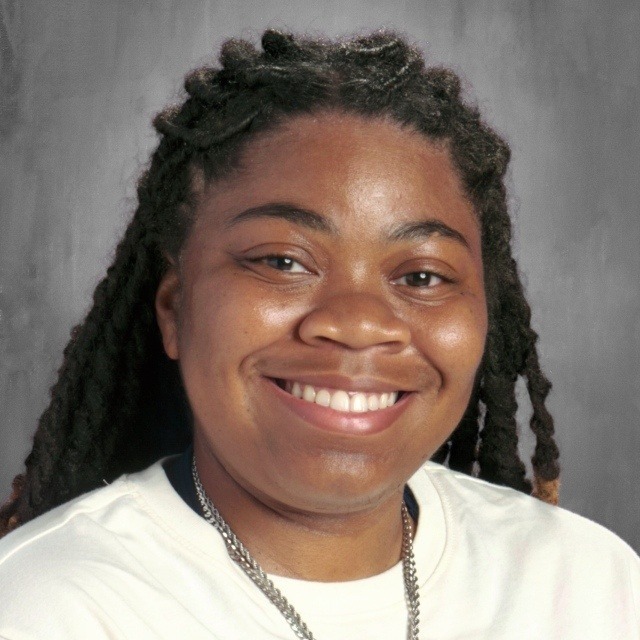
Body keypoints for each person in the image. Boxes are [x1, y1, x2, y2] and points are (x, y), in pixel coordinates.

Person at [0, 29, 637, 640]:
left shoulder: (589, 585)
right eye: (283, 262)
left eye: (421, 276)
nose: (358, 324)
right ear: (174, 310)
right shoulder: (41, 611)